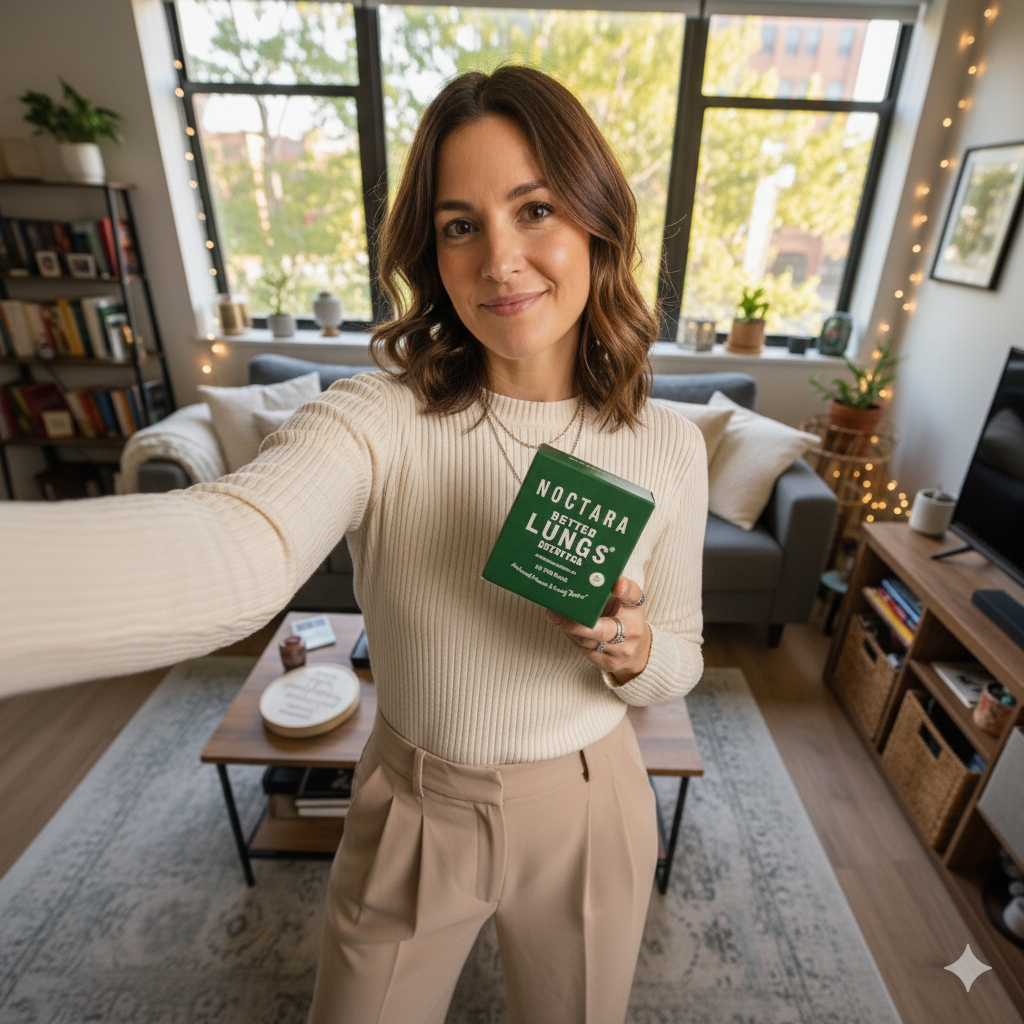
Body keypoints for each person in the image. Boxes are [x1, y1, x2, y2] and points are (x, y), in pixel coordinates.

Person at [1, 66, 707, 1024]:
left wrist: (633, 653)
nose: (500, 260)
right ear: (431, 248)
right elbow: (243, 544)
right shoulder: (377, 414)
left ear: (597, 219)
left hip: (591, 805)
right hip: (416, 805)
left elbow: (684, 657)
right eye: (460, 224)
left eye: (535, 207)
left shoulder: (668, 443)